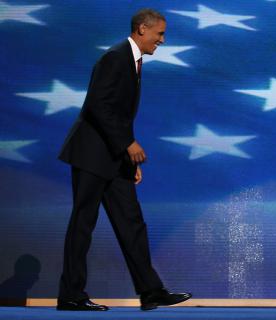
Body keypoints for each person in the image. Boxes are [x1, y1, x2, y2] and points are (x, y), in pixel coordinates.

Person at [57, 9, 191, 311]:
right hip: (92, 155)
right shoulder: (115, 57)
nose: (162, 40)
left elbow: (118, 114)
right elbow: (97, 105)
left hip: (114, 158)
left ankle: (150, 291)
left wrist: (129, 160)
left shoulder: (132, 61)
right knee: (83, 224)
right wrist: (128, 143)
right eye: (160, 34)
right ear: (142, 29)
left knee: (132, 223)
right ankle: (71, 295)